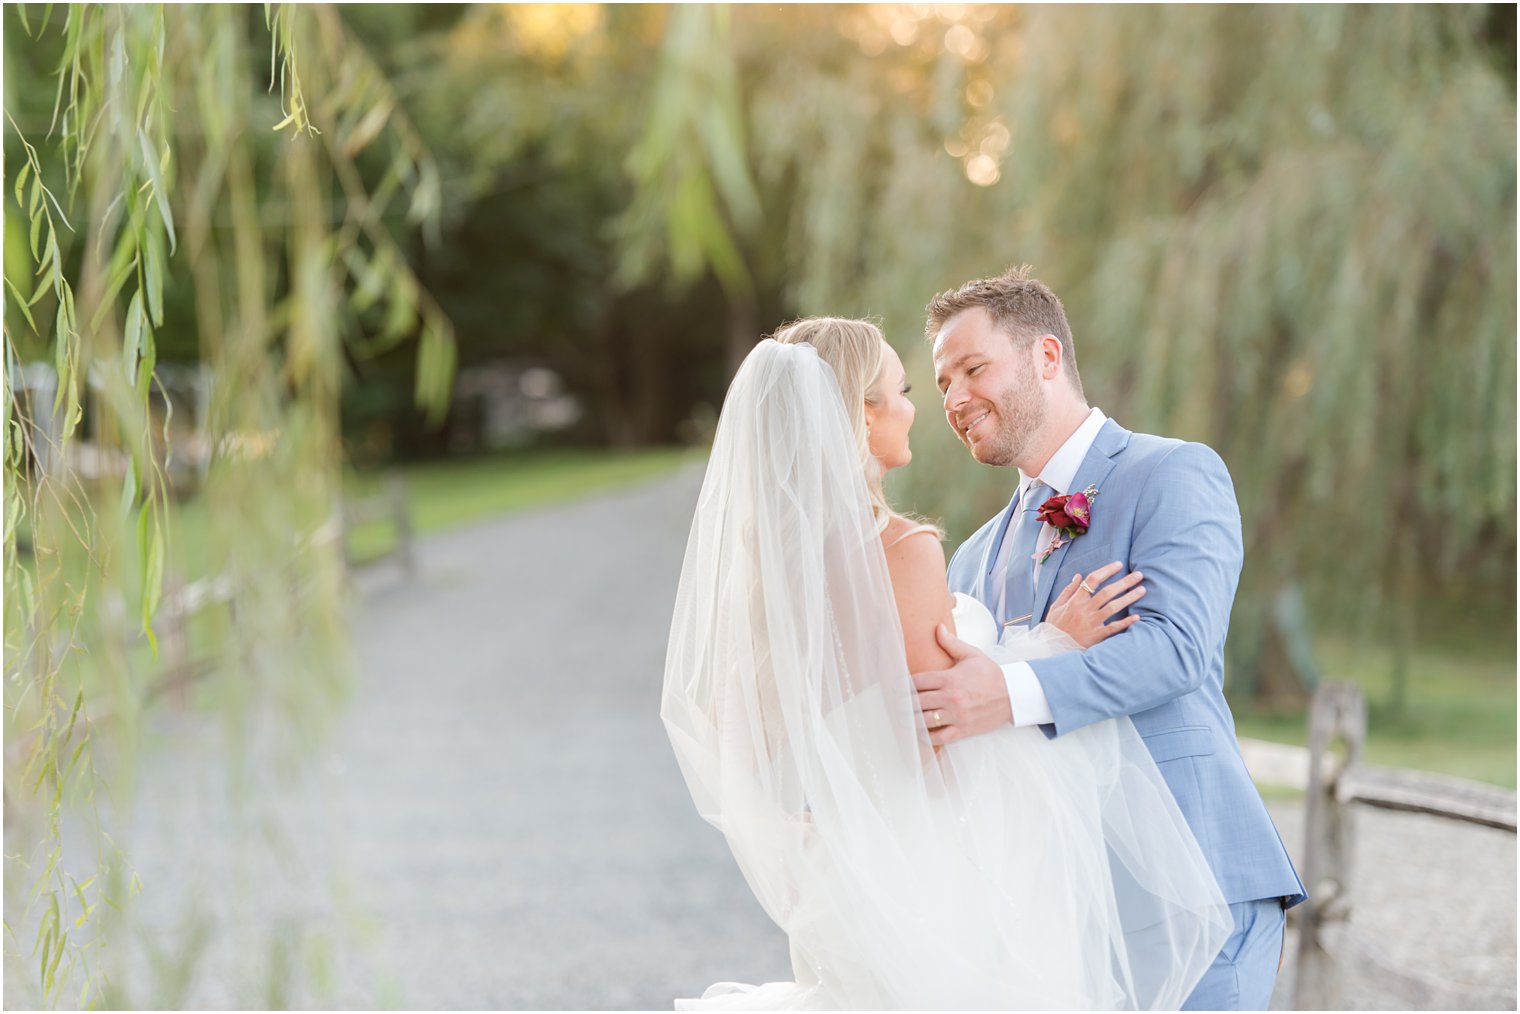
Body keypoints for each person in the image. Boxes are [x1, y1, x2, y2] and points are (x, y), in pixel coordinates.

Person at [662, 317, 1231, 1010]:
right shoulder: (904, 552)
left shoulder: (773, 574)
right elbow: (936, 748)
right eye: (905, 389)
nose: (924, 406)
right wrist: (1050, 647)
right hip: (923, 882)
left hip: (845, 880)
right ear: (857, 416)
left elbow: (767, 746)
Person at [915, 266, 1307, 1010]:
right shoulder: (969, 557)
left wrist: (1007, 688)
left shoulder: (1173, 474)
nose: (955, 399)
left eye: (972, 369)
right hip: (1059, 919)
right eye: (940, 384)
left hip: (1198, 886)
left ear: (1047, 358)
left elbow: (1177, 649)